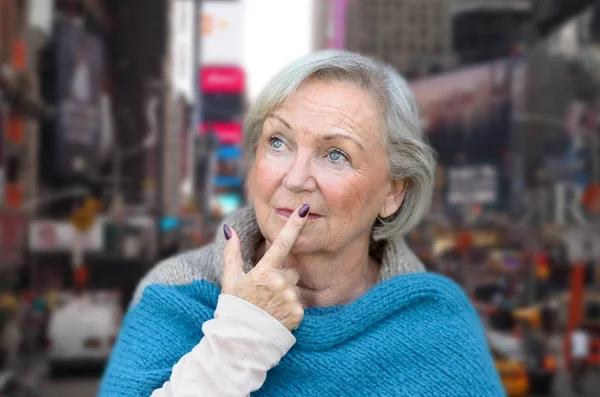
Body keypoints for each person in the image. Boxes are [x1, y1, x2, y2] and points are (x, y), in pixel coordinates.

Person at [99, 51, 504, 396]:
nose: (294, 179)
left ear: (393, 192)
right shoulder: (176, 289)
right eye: (278, 142)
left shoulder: (434, 324)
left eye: (335, 155)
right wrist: (239, 340)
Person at [570, 325, 590, 396]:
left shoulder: (574, 335)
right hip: (583, 356)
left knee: (576, 373)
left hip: (576, 356)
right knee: (582, 373)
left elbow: (572, 345)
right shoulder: (585, 336)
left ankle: (576, 386)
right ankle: (580, 387)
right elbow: (586, 345)